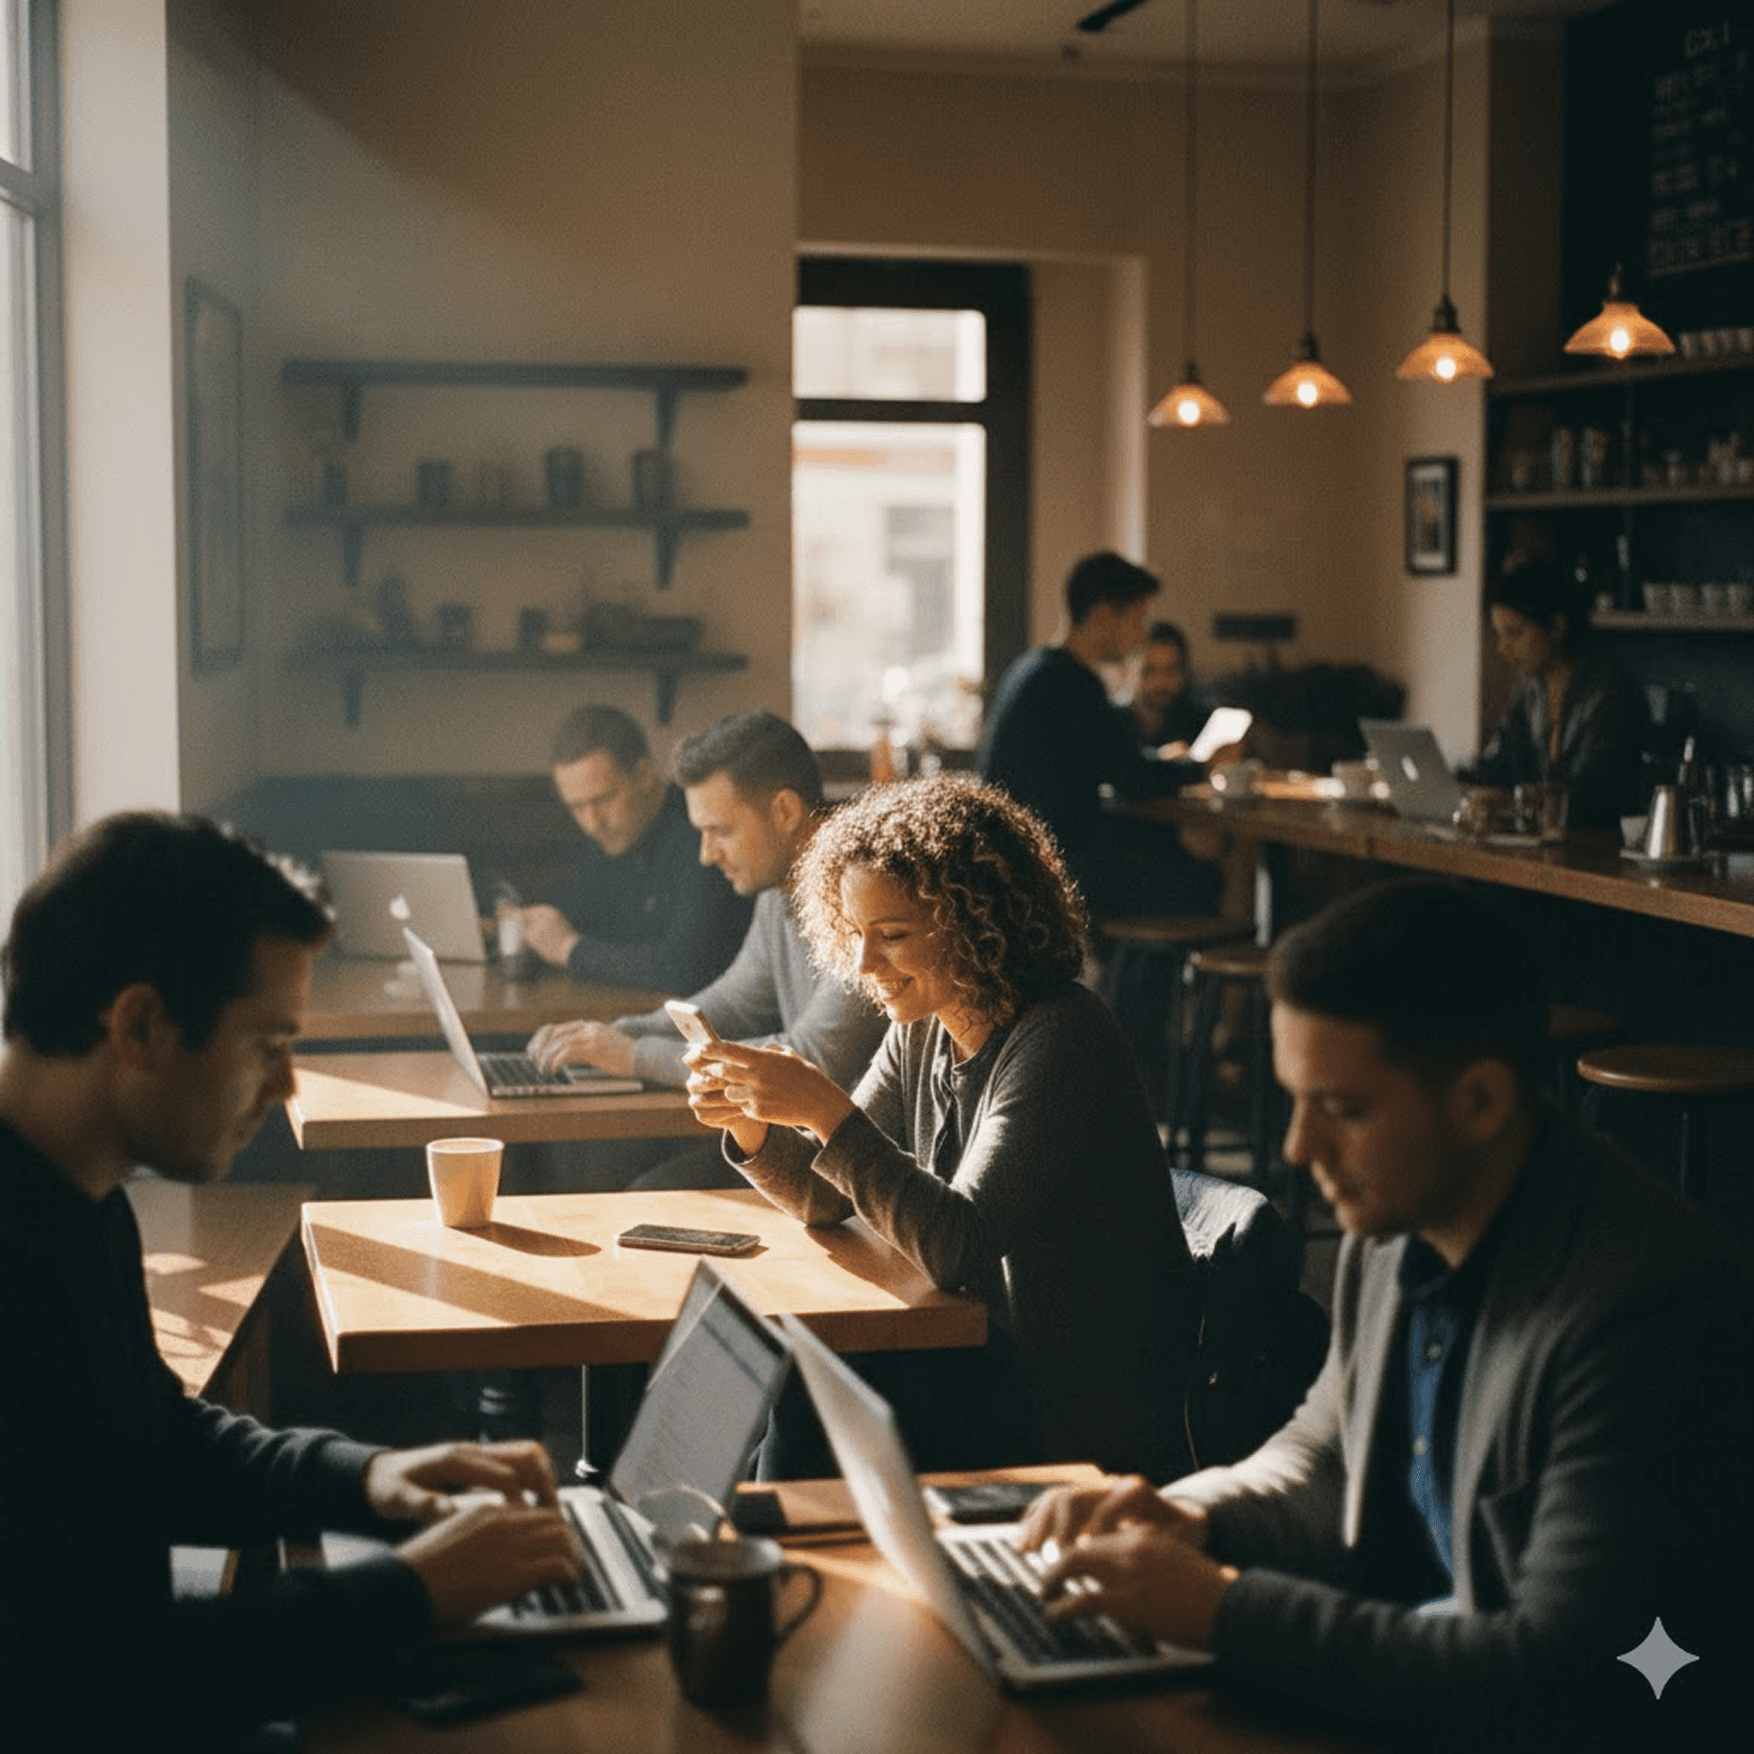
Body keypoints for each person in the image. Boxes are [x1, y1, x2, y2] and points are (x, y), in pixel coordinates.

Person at [1019, 878, 1749, 1752]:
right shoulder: (1395, 1225)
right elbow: (1328, 1451)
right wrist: (1191, 1516)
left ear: (1481, 1100)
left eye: (1344, 1109)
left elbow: (1558, 1675)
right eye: (1294, 1098)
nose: (1297, 1149)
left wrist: (1221, 1611)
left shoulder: (1643, 1304)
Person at [0, 812, 583, 1752]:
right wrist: (412, 1589)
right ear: (141, 1025)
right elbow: (80, 1678)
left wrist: (374, 1480)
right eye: (267, 1043)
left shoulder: (77, 1193)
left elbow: (150, 1439)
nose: (287, 1088)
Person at [682, 774, 1199, 1478]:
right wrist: (754, 1125)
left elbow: (961, 1244)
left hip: (1063, 1398)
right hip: (975, 1355)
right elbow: (831, 1196)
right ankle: (731, 1551)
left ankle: (766, 1565)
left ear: (977, 920)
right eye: (857, 935)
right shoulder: (924, 1029)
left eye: (892, 936)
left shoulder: (1062, 1035)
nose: (865, 966)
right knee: (782, 1360)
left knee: (808, 1378)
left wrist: (823, 1108)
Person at [527, 708, 885, 1189]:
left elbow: (810, 1059)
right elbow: (729, 1004)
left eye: (720, 831)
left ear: (784, 812)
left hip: (860, 1170)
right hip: (798, 1147)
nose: (705, 854)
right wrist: (607, 1037)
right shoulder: (779, 892)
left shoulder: (863, 901)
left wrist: (633, 1055)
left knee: (640, 1194)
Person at [976, 550, 1219, 919]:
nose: (1140, 636)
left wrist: (1162, 763)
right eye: (1137, 620)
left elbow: (1112, 763)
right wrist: (1203, 767)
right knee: (1204, 882)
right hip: (1054, 872)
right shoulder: (1071, 682)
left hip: (1017, 866)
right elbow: (1133, 779)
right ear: (1104, 617)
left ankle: (1127, 974)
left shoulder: (1033, 667)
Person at [503, 703, 750, 992]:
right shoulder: (614, 836)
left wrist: (570, 950)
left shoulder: (701, 834)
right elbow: (570, 912)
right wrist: (514, 922)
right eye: (577, 807)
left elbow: (686, 967)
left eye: (604, 799)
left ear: (644, 775)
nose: (592, 823)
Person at [1463, 557, 1649, 832]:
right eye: (1499, 635)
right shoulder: (1529, 689)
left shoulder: (1608, 691)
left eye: (1514, 633)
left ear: (1557, 627)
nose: (1503, 648)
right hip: (1546, 847)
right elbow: (1497, 763)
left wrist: (1505, 801)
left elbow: (1590, 798)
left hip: (1599, 852)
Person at [1124, 619, 1214, 753]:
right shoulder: (1107, 724)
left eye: (1171, 670)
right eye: (1149, 671)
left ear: (1184, 672)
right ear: (1127, 673)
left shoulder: (1201, 725)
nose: (1161, 682)